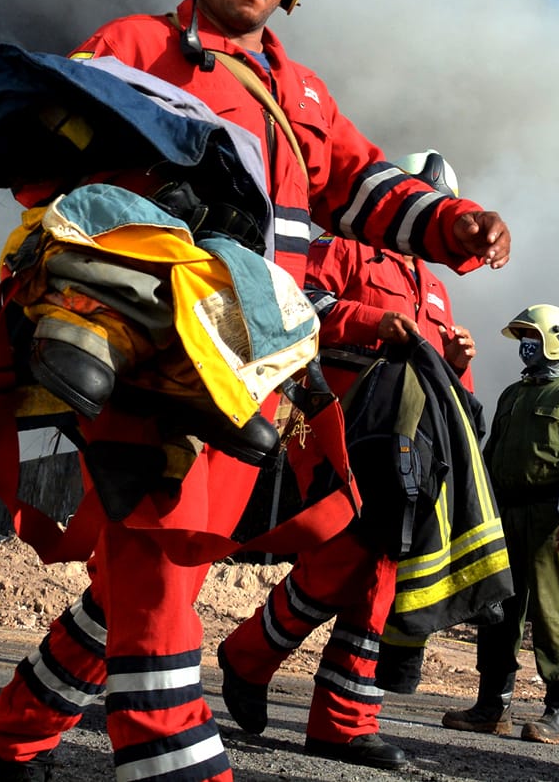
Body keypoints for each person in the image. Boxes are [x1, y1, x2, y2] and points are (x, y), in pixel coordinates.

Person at [0, 0, 510, 782]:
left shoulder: (302, 95)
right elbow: (46, 173)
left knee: (166, 560)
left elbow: (362, 184)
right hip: (149, 362)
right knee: (164, 556)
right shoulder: (133, 44)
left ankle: (10, 735)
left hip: (249, 370)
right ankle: (177, 762)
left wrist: (455, 222)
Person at [216, 150, 480, 763]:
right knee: (352, 550)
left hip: (408, 440)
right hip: (335, 420)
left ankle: (338, 719)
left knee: (380, 564)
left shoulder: (435, 286)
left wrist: (461, 366)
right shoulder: (344, 246)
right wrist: (372, 320)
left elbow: (440, 386)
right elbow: (294, 301)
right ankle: (258, 660)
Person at [441, 304, 559, 747]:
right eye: (522, 338)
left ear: (555, 339)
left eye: (531, 337)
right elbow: (494, 453)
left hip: (551, 519)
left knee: (552, 612)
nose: (525, 346)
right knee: (497, 610)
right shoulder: (514, 395)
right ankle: (492, 708)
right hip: (506, 515)